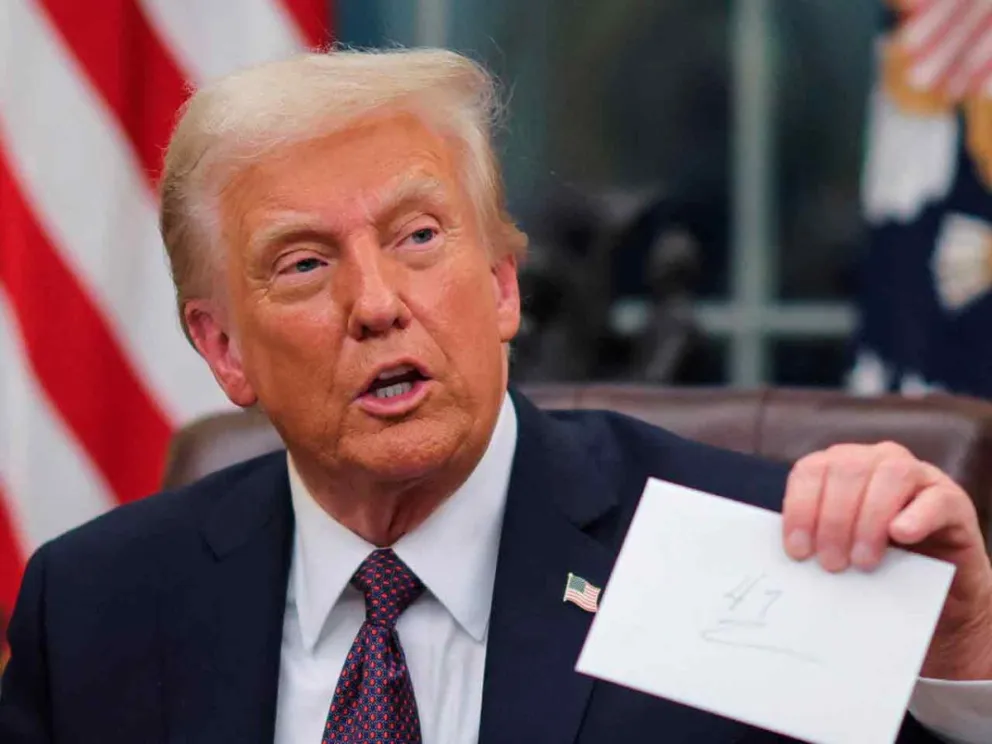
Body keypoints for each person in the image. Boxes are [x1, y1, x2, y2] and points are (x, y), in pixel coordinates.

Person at [1, 49, 992, 744]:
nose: (377, 304)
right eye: (303, 264)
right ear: (223, 350)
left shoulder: (758, 555)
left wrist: (956, 660)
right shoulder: (95, 610)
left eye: (418, 237)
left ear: (502, 286)